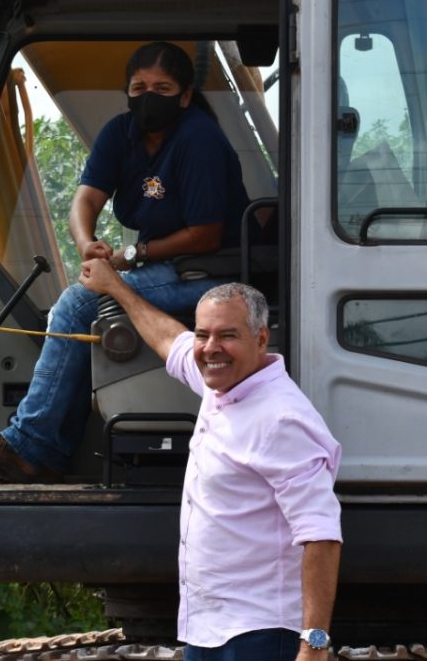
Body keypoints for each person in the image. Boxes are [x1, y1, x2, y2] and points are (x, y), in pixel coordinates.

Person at [0, 41, 249, 482]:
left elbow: (206, 235)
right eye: (139, 86)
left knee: (77, 304)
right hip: (172, 267)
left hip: (212, 270)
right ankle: (51, 447)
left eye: (163, 88)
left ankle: (30, 448)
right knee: (80, 304)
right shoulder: (120, 133)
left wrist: (131, 256)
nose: (149, 96)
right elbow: (85, 199)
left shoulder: (198, 138)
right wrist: (87, 243)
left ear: (185, 96)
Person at [79, 258, 343, 661]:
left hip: (259, 634)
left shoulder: (281, 418)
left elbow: (321, 534)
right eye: (204, 334)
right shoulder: (221, 386)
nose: (210, 348)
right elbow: (170, 339)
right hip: (208, 629)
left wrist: (313, 645)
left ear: (260, 339)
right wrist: (116, 288)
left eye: (227, 335)